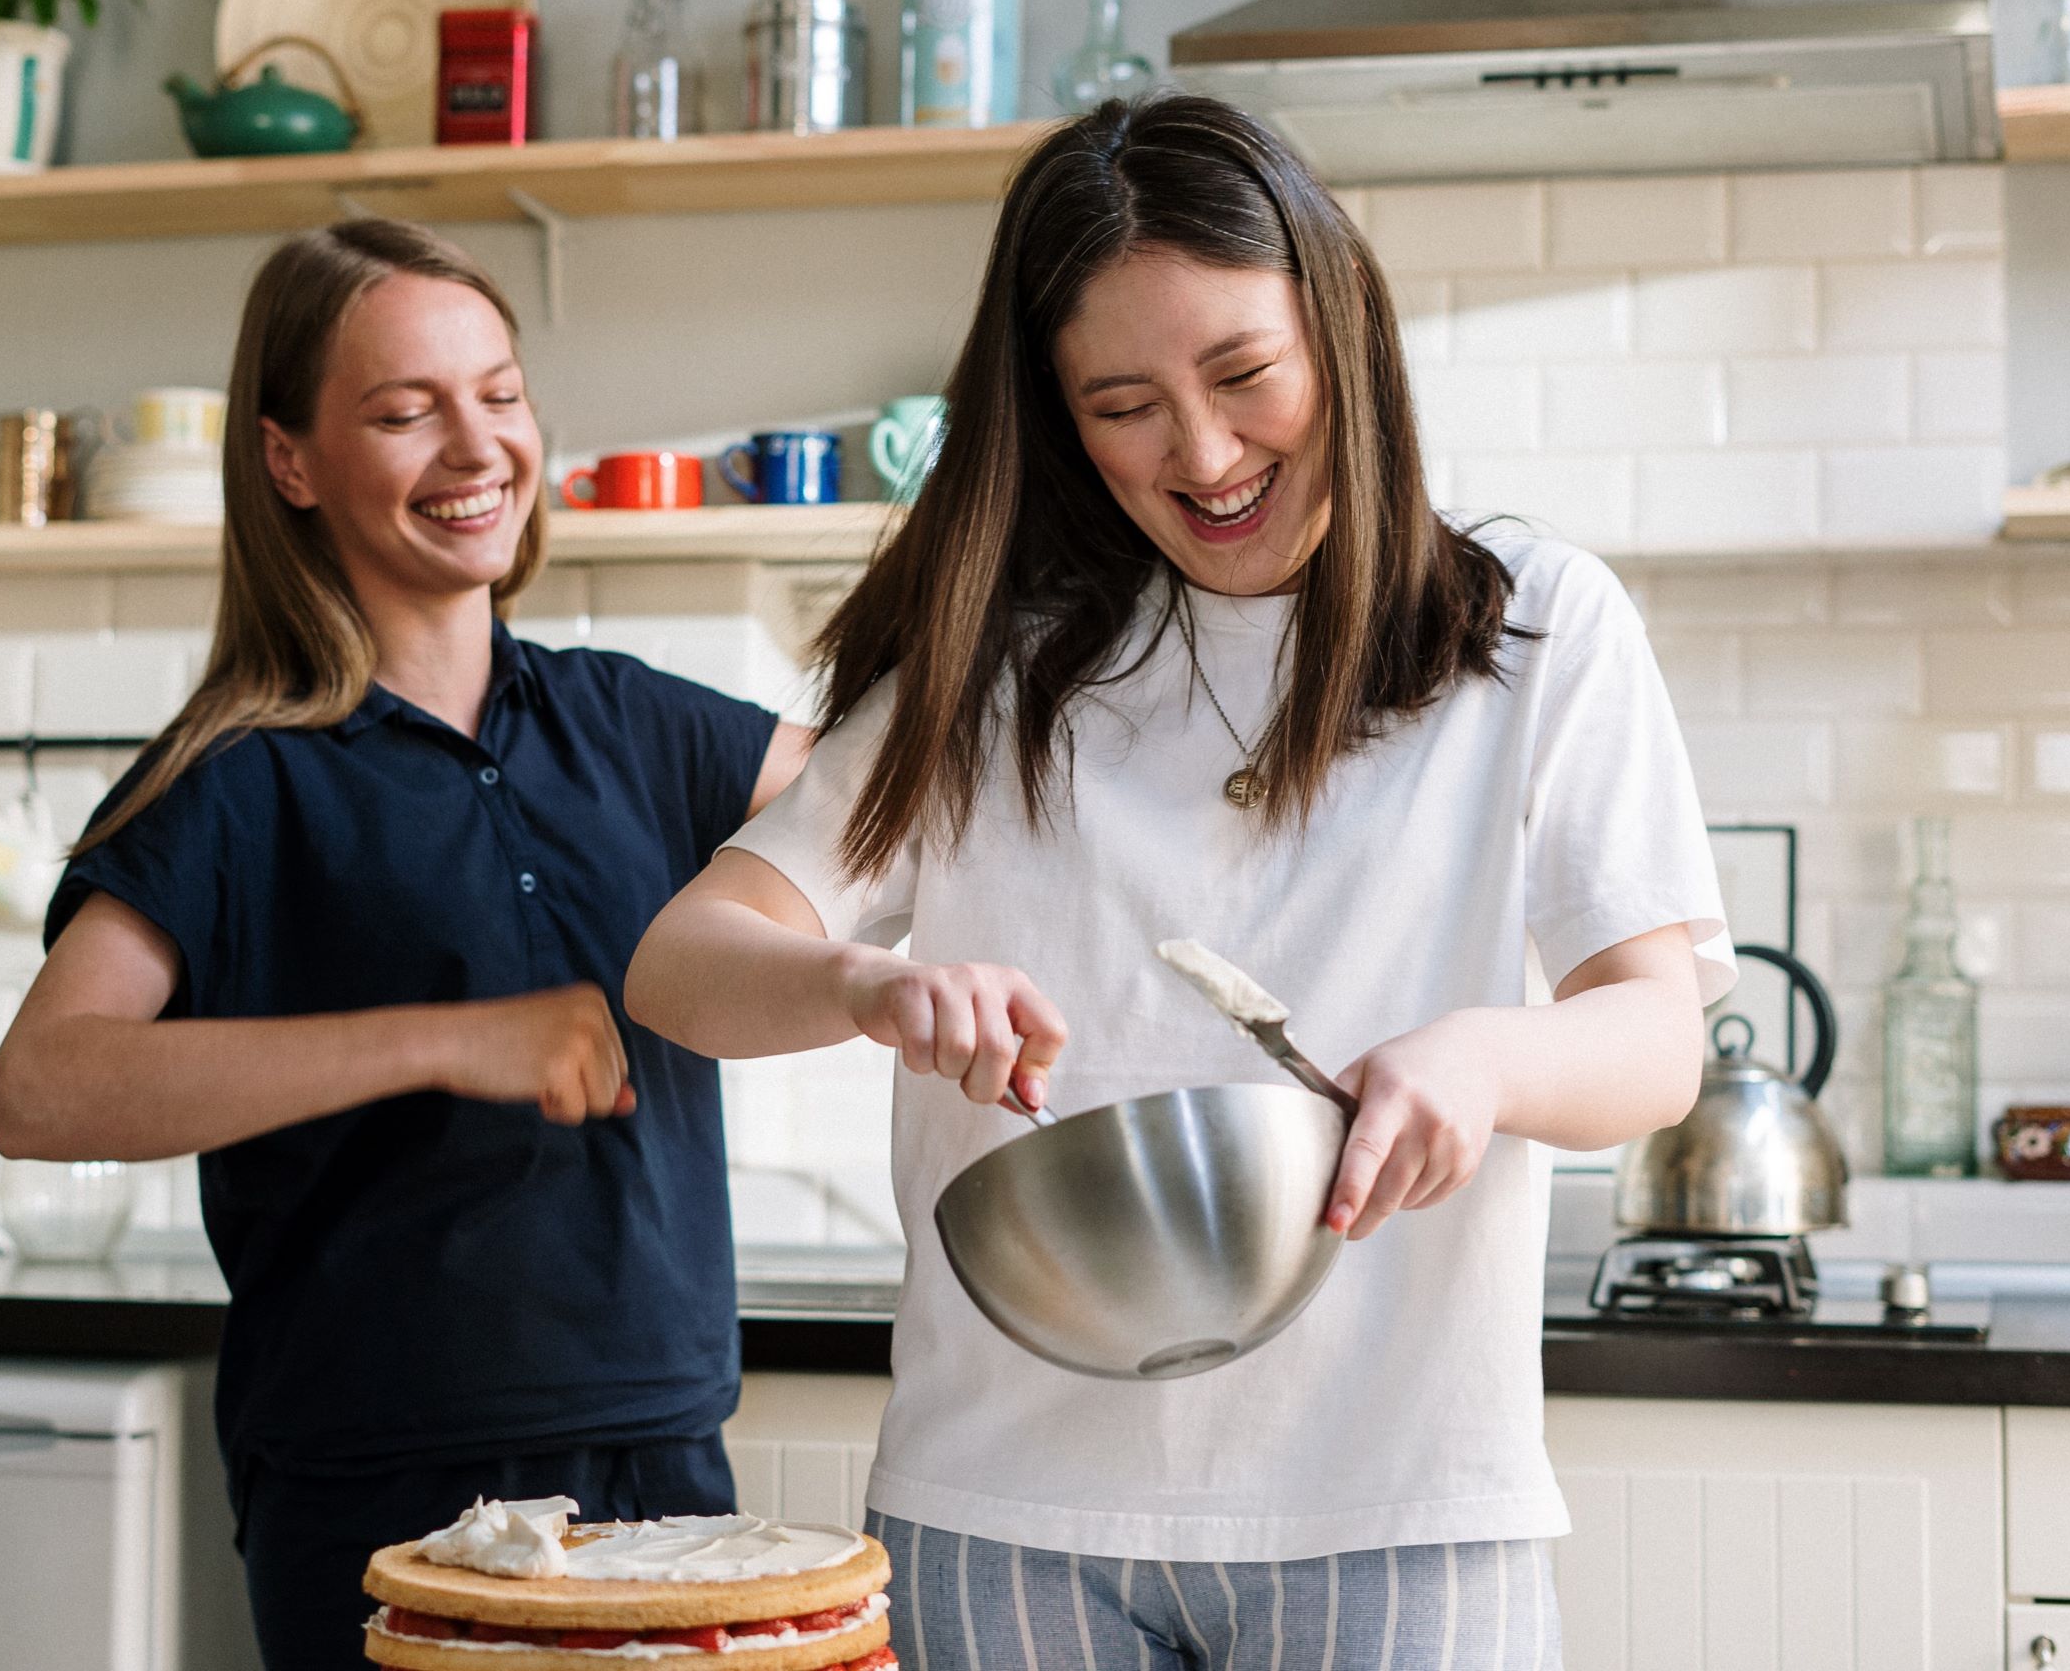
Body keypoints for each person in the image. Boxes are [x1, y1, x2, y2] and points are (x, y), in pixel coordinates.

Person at [625, 95, 1731, 1668]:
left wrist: (1485, 1056)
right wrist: (862, 985)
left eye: (1242, 375)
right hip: (1008, 1511)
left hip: (1403, 1505)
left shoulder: (1534, 629)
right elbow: (683, 963)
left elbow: (1655, 1035)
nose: (1203, 456)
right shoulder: (998, 671)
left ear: (1337, 332)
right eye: (1123, 403)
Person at [0, 219, 806, 1669]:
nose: (475, 446)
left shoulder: (635, 723)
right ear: (290, 461)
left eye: (498, 394)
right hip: (382, 1500)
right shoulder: (233, 780)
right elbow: (42, 1088)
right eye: (403, 410)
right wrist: (450, 1037)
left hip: (665, 1471)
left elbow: (914, 809)